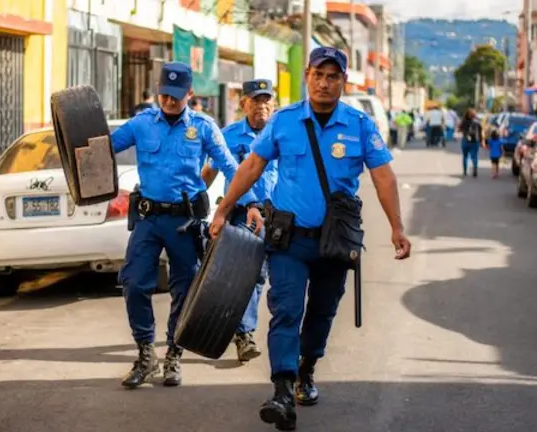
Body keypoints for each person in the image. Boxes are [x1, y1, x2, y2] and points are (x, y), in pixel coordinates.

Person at [208, 46, 412, 430]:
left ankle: (307, 367)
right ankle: (282, 390)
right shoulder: (284, 121)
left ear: (342, 82)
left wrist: (396, 227)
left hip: (336, 242)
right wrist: (223, 207)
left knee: (321, 312)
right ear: (307, 76)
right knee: (286, 309)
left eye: (332, 76)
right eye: (318, 74)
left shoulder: (360, 124)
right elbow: (252, 166)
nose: (324, 82)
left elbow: (384, 176)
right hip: (289, 239)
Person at [110, 62, 255, 389]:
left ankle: (173, 353)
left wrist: (252, 203)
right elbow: (104, 147)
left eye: (176, 96)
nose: (169, 101)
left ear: (190, 93)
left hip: (185, 222)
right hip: (148, 220)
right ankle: (146, 353)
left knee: (184, 290)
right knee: (134, 283)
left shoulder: (204, 127)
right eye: (164, 94)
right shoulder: (142, 123)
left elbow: (232, 167)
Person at [201, 78, 278, 363]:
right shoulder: (229, 135)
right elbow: (209, 172)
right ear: (243, 103)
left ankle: (243, 326)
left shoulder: (281, 134)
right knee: (250, 273)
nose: (261, 106)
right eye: (255, 100)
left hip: (278, 216)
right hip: (242, 213)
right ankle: (245, 334)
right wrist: (198, 203)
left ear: (274, 104)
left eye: (266, 100)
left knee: (263, 276)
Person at [459, 108, 483, 177]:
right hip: (475, 141)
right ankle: (475, 170)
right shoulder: (478, 122)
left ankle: (465, 171)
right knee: (474, 156)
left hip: (465, 141)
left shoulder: (464, 121)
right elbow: (480, 132)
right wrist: (481, 141)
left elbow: (459, 129)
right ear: (474, 115)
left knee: (465, 156)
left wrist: (464, 131)